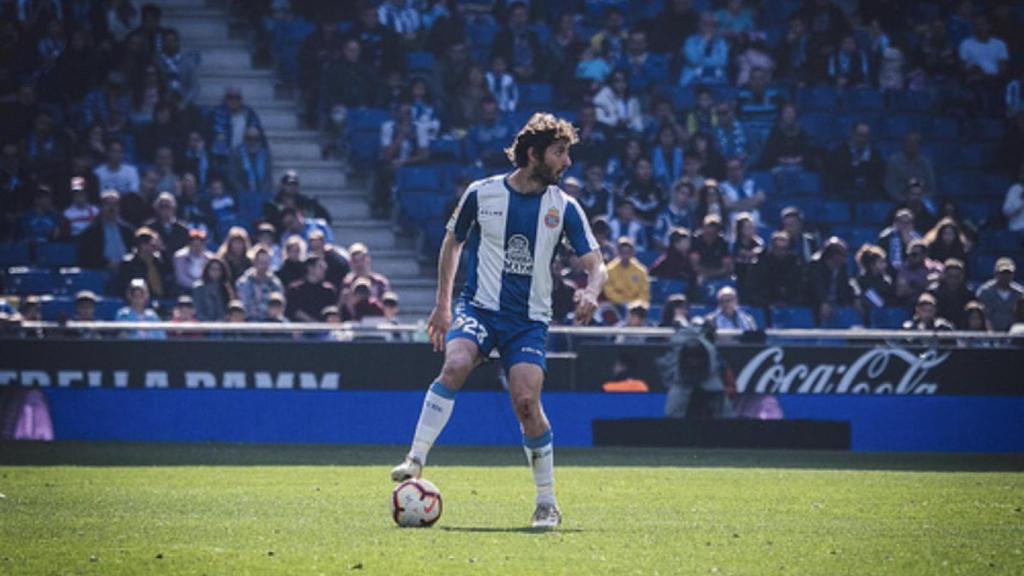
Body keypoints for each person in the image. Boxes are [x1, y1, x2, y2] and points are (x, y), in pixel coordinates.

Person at [389, 113, 607, 529]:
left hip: (527, 321)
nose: (567, 162)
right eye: (560, 152)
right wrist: (443, 305)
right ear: (533, 154)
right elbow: (452, 243)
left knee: (526, 402)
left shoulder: (564, 207)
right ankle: (415, 458)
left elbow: (596, 264)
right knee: (454, 365)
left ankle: (547, 503)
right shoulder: (481, 193)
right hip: (478, 309)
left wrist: (592, 290)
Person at [78, 190, 135, 274]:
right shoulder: (90, 233)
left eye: (115, 204)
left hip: (126, 273)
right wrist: (106, 264)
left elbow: (134, 252)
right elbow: (87, 258)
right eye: (107, 204)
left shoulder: (129, 230)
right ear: (100, 207)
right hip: (100, 274)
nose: (112, 208)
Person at [754, 231, 804, 307]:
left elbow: (800, 289)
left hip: (791, 306)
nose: (781, 252)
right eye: (777, 248)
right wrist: (768, 303)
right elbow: (754, 290)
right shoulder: (761, 264)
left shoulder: (796, 264)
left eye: (784, 249)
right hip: (765, 306)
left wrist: (790, 302)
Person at [235, 246, 284, 321]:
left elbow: (280, 305)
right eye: (261, 262)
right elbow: (245, 307)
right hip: (251, 323)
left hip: (272, 322)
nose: (264, 266)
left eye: (266, 262)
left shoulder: (276, 283)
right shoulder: (244, 282)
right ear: (254, 262)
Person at [884, 132, 935, 202]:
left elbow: (931, 188)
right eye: (910, 142)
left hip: (921, 201)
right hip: (899, 201)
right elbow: (890, 186)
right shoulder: (894, 162)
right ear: (904, 144)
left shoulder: (925, 163)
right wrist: (903, 200)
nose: (912, 145)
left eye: (916, 143)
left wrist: (920, 199)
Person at [975, 258, 1023, 332]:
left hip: (1014, 334)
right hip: (988, 334)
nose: (1006, 276)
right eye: (1002, 273)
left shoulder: (1020, 293)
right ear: (996, 273)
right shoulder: (985, 292)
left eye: (1008, 273)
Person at [285, 256, 338, 322]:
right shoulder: (295, 289)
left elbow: (332, 311)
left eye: (325, 268)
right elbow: (293, 311)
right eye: (320, 267)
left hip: (323, 329)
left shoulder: (328, 290)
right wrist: (313, 323)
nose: (324, 270)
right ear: (310, 268)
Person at [928, 259, 973, 328]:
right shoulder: (933, 293)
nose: (953, 280)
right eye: (950, 276)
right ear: (944, 275)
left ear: (962, 277)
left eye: (956, 277)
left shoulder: (969, 294)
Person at [173, 229, 213, 294]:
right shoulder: (180, 257)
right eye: (194, 245)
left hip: (205, 289)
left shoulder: (209, 258)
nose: (197, 248)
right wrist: (195, 285)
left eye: (199, 245)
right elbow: (181, 277)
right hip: (186, 289)